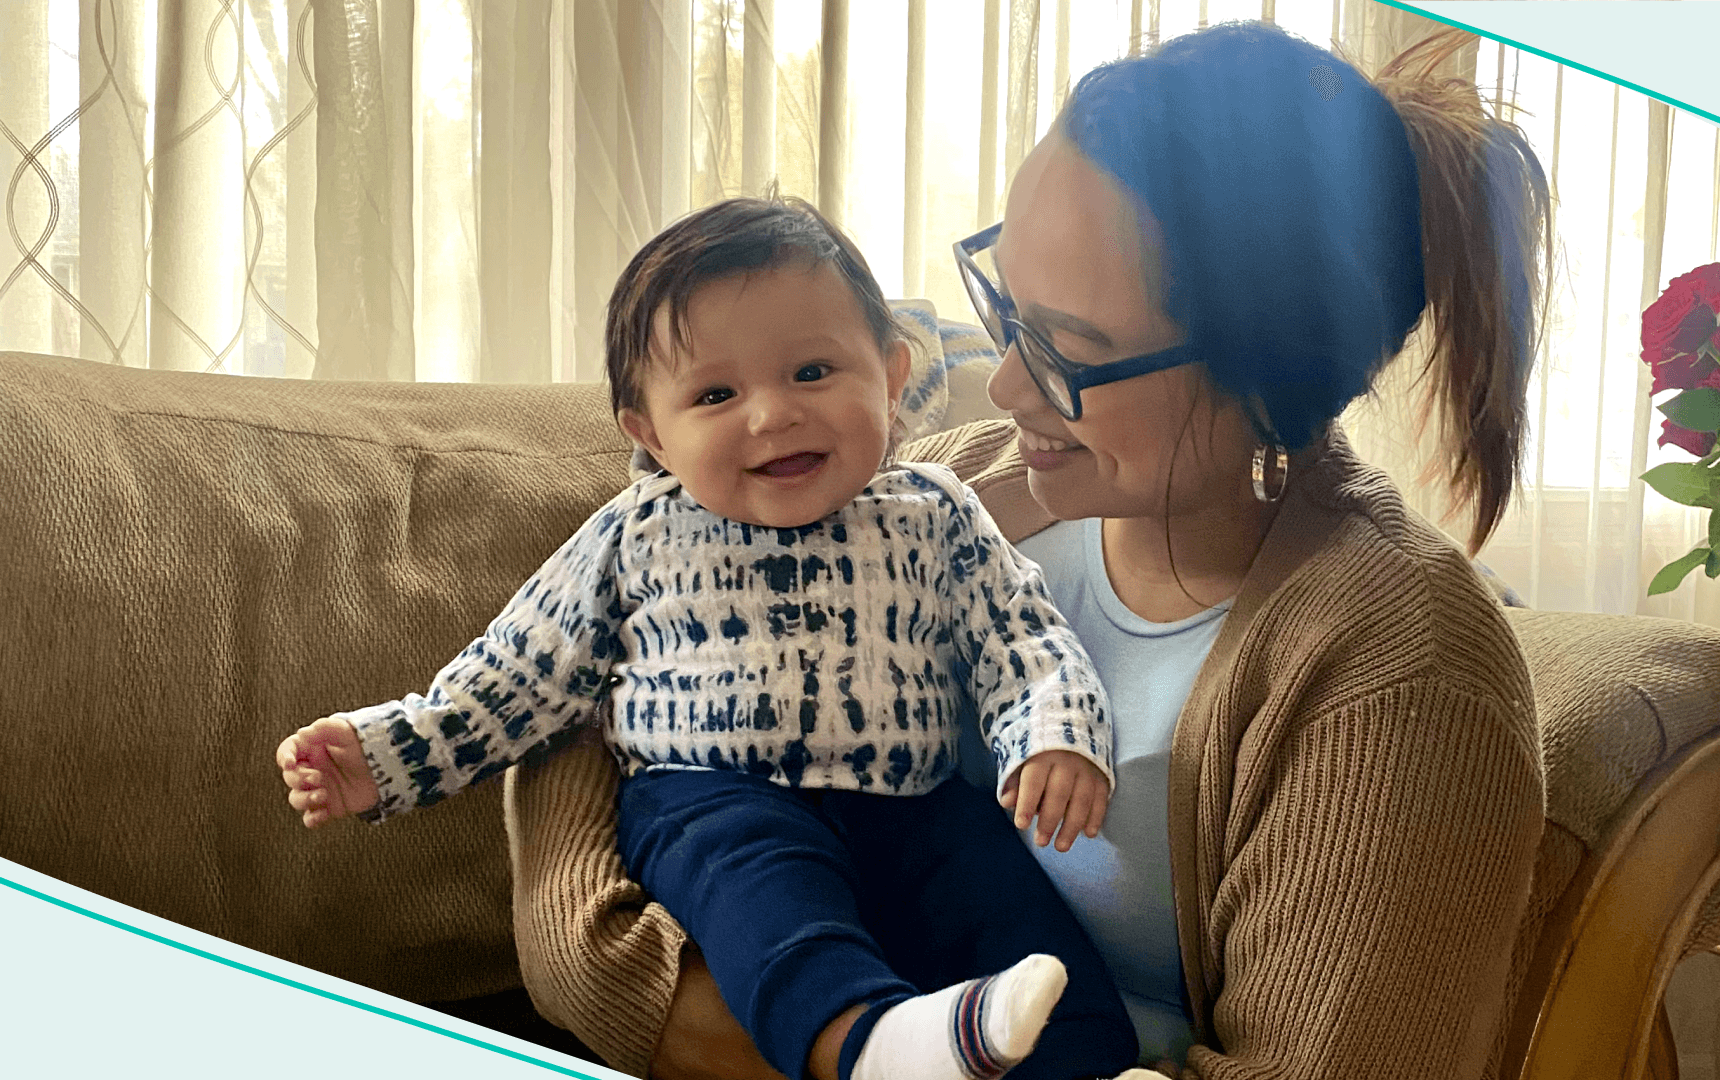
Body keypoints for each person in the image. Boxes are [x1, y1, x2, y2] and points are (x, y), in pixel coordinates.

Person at [508, 19, 1555, 1080]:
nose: (1006, 385)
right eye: (1007, 307)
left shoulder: (1401, 676)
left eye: (1069, 350)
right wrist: (624, 967)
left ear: (1265, 373)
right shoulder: (959, 490)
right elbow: (610, 664)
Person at [274, 196, 1147, 1080]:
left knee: (1006, 904)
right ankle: (865, 1046)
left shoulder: (934, 510)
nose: (773, 415)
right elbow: (519, 674)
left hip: (913, 798)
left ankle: (1090, 1065)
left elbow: (1019, 635)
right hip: (712, 796)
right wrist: (386, 754)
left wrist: (1054, 733)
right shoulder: (637, 532)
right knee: (767, 904)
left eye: (813, 371)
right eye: (717, 395)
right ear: (651, 434)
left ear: (891, 377)